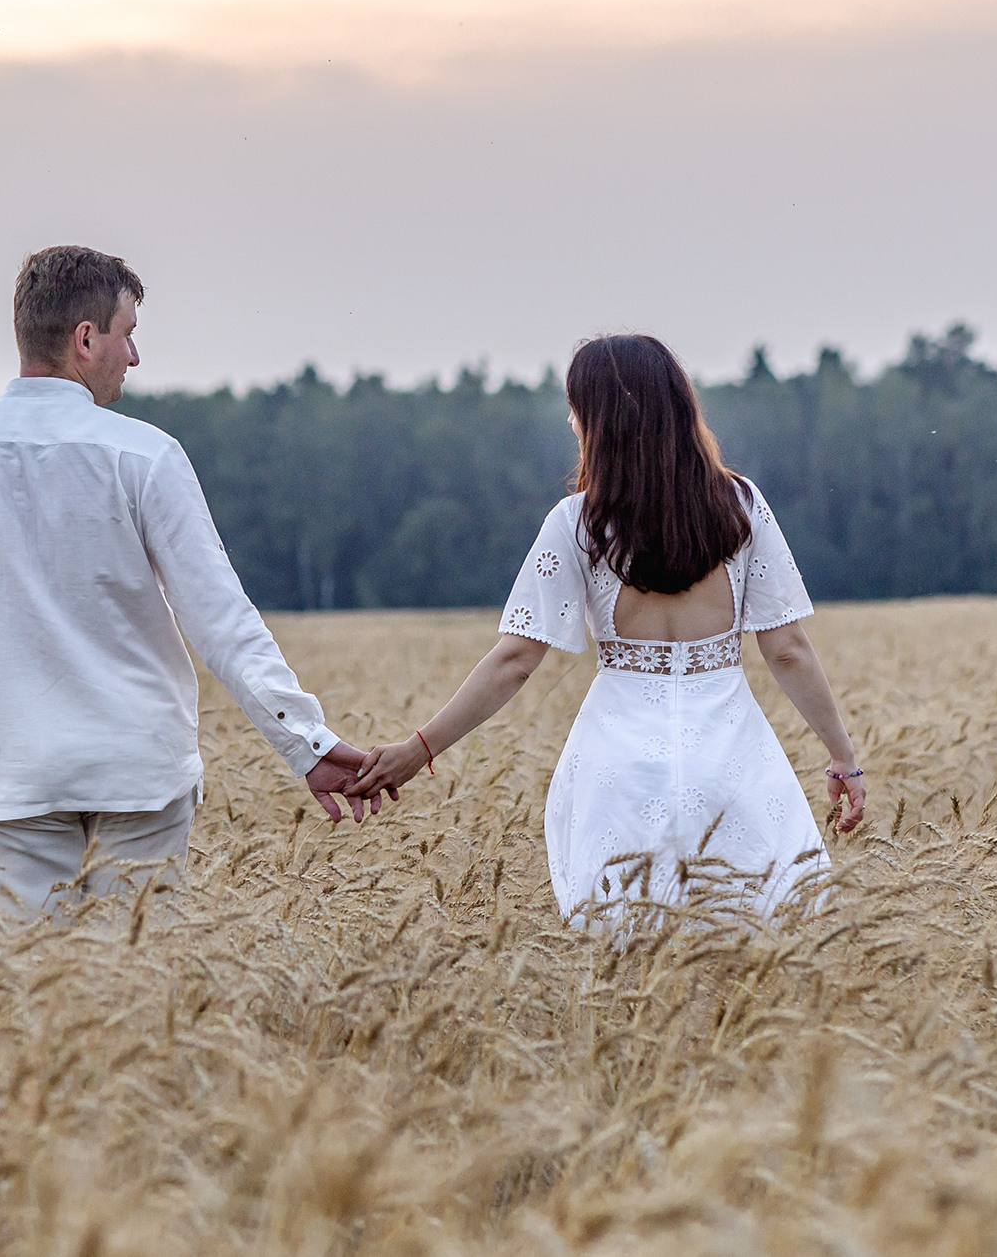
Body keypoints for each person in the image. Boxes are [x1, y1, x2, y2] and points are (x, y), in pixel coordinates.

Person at [0, 245, 374, 918]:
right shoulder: (144, 454)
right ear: (86, 339)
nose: (135, 357)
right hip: (138, 773)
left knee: (25, 999)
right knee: (140, 996)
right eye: (129, 335)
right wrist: (307, 743)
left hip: (10, 778)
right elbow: (220, 618)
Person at [348, 334, 865, 923]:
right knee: (754, 958)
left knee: (621, 964)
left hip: (615, 773)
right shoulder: (742, 506)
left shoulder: (577, 523)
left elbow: (514, 660)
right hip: (734, 766)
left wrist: (419, 750)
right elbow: (789, 648)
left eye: (576, 408)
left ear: (600, 421)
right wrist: (843, 761)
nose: (571, 421)